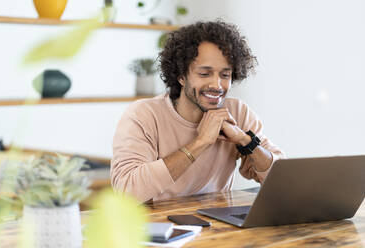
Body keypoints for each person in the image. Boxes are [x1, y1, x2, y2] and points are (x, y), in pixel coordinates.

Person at [111, 21, 285, 203]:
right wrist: (200, 143)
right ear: (181, 76)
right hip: (159, 227)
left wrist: (245, 141)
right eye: (204, 74)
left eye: (225, 75)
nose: (217, 85)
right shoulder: (143, 114)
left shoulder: (237, 112)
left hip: (218, 226)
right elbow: (127, 192)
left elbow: (281, 180)